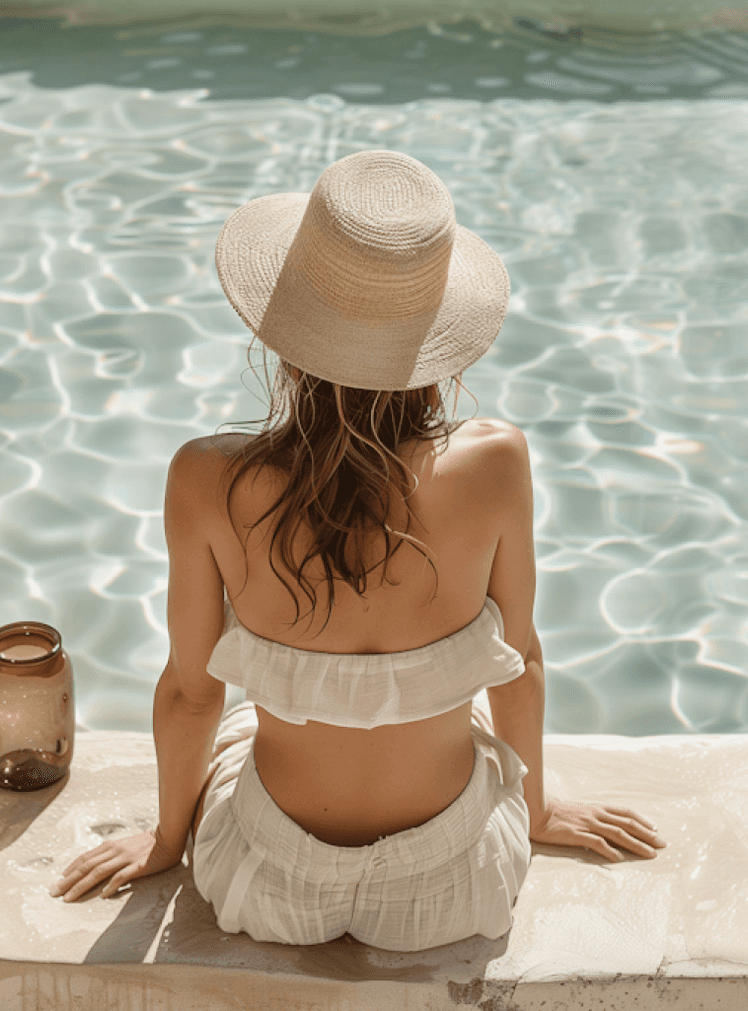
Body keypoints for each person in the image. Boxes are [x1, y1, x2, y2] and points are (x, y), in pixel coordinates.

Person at [49, 150, 666, 947]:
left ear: (286, 332)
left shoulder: (207, 478)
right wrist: (538, 810)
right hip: (453, 887)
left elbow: (190, 694)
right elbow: (522, 661)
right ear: (440, 336)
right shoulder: (497, 461)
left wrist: (167, 841)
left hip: (267, 886)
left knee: (241, 727)